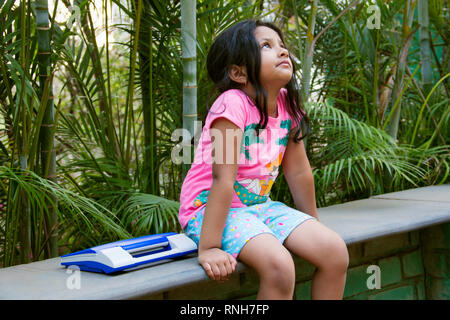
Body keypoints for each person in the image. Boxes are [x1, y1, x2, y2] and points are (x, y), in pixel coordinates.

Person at [178, 19, 349, 300]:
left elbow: (298, 172)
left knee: (334, 252)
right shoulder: (232, 104)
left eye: (282, 45)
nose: (282, 51)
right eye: (267, 46)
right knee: (280, 266)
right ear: (238, 72)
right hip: (209, 210)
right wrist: (209, 248)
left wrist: (312, 226)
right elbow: (223, 179)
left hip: (259, 206)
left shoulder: (287, 103)